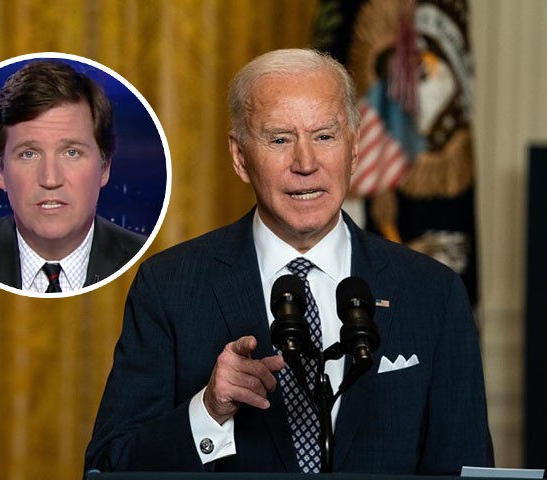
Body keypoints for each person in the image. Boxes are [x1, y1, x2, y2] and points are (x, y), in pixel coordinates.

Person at [84, 49, 493, 474]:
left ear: (354, 149)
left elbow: (463, 464)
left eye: (325, 136)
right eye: (280, 139)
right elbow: (109, 468)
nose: (306, 163)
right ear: (241, 157)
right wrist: (208, 411)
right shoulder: (170, 286)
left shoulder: (433, 291)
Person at [0, 60, 146, 293]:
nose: (50, 179)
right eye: (29, 154)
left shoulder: (149, 265)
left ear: (104, 168)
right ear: (1, 172)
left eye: (72, 153)